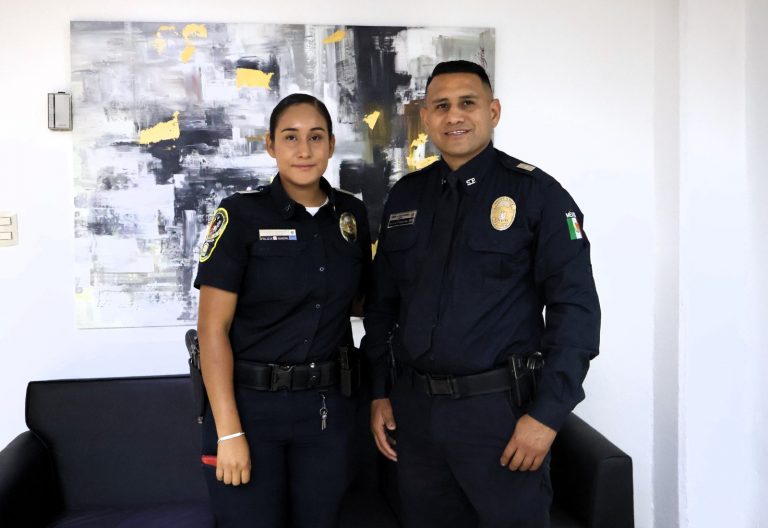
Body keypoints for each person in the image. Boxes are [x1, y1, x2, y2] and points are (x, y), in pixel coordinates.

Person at [362, 60, 601, 528]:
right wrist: (379, 392)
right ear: (425, 117)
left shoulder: (538, 195)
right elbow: (382, 306)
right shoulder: (405, 198)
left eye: (467, 104)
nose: (455, 116)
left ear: (493, 111)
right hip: (416, 413)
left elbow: (577, 314)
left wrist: (547, 416)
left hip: (500, 416)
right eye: (442, 106)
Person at [194, 93, 371, 528]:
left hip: (327, 409)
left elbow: (364, 299)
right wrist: (229, 432)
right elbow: (211, 330)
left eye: (315, 137)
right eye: (290, 137)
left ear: (331, 144)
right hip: (251, 409)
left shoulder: (351, 215)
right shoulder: (240, 215)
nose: (304, 150)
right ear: (271, 145)